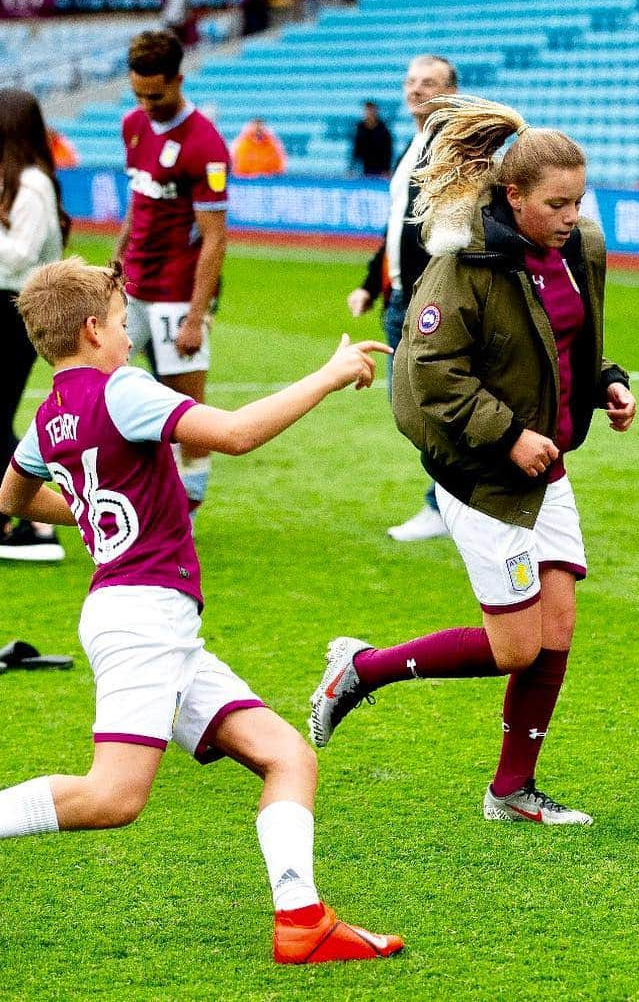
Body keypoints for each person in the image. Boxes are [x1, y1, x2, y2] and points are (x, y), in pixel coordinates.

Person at [0, 256, 400, 965]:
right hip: (144, 615)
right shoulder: (123, 388)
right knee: (114, 796)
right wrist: (330, 373)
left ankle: (301, 918)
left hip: (154, 621)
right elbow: (238, 432)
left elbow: (12, 499)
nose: (131, 338)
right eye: (124, 324)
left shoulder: (47, 416)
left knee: (288, 756)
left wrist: (96, 516)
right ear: (93, 330)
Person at [311, 96, 638, 826]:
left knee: (557, 630)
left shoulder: (581, 247)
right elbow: (428, 372)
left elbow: (567, 341)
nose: (569, 215)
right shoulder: (463, 264)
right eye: (555, 202)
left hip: (542, 468)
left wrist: (607, 381)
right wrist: (508, 434)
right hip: (480, 473)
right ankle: (361, 670)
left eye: (578, 200)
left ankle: (511, 791)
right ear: (513, 195)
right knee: (517, 645)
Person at [115, 30, 229, 520]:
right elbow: (136, 205)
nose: (147, 105)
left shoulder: (205, 144)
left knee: (190, 409)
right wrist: (115, 264)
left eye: (156, 95)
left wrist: (194, 316)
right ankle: (140, 490)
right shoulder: (133, 125)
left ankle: (189, 513)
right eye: (138, 94)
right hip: (133, 286)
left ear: (179, 80)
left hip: (176, 297)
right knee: (105, 384)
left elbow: (215, 239)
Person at [345, 54, 458, 542]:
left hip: (428, 298)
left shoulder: (453, 149)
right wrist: (372, 283)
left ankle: (445, 505)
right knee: (410, 406)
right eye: (411, 81)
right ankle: (452, 501)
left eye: (429, 83)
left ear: (450, 93)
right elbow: (396, 226)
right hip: (400, 296)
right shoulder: (411, 146)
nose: (416, 89)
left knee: (430, 405)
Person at [0, 88, 68, 563]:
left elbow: (21, 256)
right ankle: (18, 517)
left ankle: (41, 523)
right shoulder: (16, 180)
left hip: (16, 311)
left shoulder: (34, 183)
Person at [349, 100, 392, 178]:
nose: (369, 113)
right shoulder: (360, 127)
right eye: (367, 110)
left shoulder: (383, 128)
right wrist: (352, 167)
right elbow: (356, 149)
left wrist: (387, 169)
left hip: (380, 166)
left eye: (371, 110)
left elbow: (388, 151)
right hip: (364, 166)